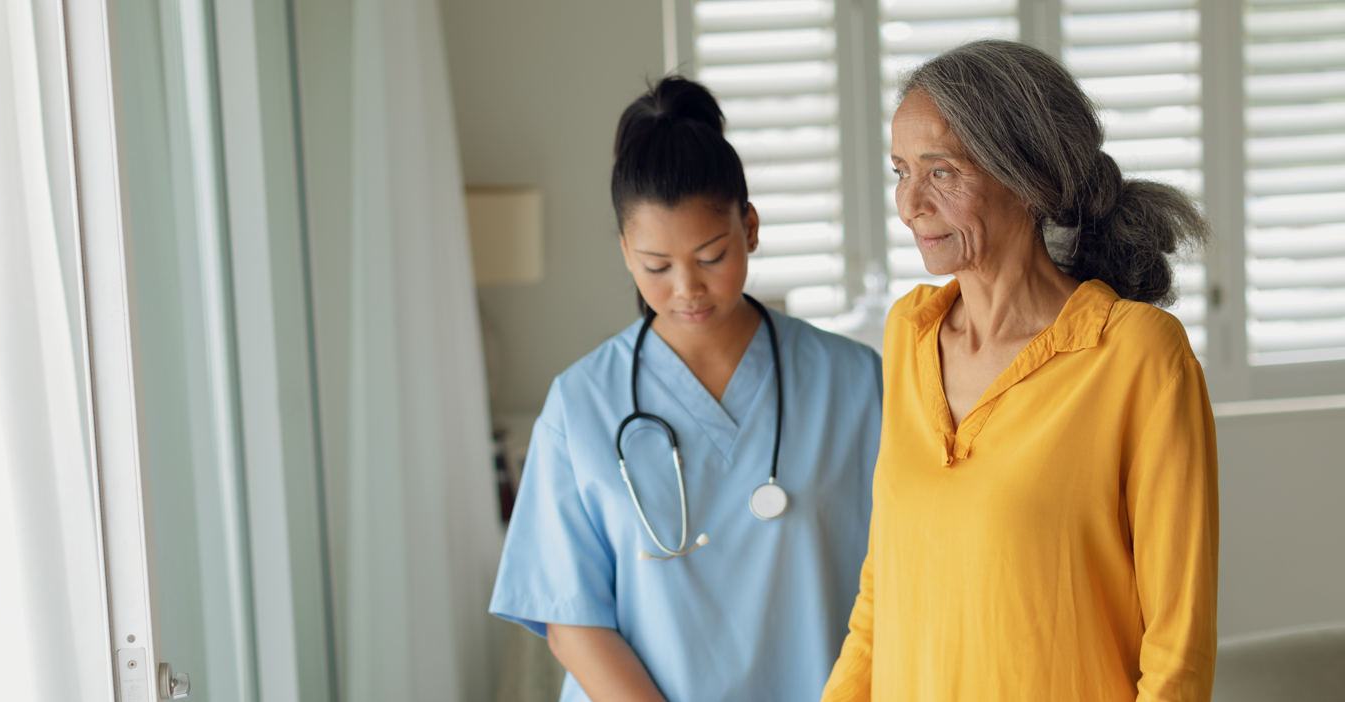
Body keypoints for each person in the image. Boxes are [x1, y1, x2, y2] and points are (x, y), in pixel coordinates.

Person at [822, 39, 1218, 701]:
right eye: (900, 171)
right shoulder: (908, 332)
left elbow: (1177, 653)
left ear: (1028, 179)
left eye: (941, 171)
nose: (910, 203)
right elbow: (883, 589)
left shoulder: (1138, 355)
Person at [488, 76, 884, 702]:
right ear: (624, 251)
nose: (687, 289)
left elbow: (908, 574)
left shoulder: (858, 384)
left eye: (711, 255)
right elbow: (569, 619)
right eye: (656, 266)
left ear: (749, 227)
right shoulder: (580, 405)